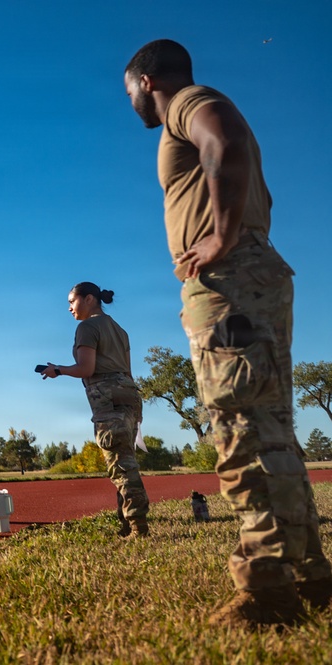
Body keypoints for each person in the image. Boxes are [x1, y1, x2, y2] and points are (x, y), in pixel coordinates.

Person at [124, 38, 332, 627]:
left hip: (230, 277)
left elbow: (227, 139)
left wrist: (218, 236)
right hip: (253, 272)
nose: (132, 103)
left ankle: (268, 589)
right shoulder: (191, 109)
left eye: (130, 91)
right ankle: (312, 574)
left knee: (241, 428)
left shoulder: (190, 101)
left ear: (147, 80)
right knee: (271, 430)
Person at [40, 283, 150, 538]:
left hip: (107, 396)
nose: (69, 308)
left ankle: (138, 527)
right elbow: (129, 371)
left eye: (72, 301)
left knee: (120, 464)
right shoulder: (120, 330)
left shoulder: (87, 327)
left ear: (89, 299)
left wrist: (57, 370)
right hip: (129, 393)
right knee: (125, 458)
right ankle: (126, 524)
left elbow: (86, 369)